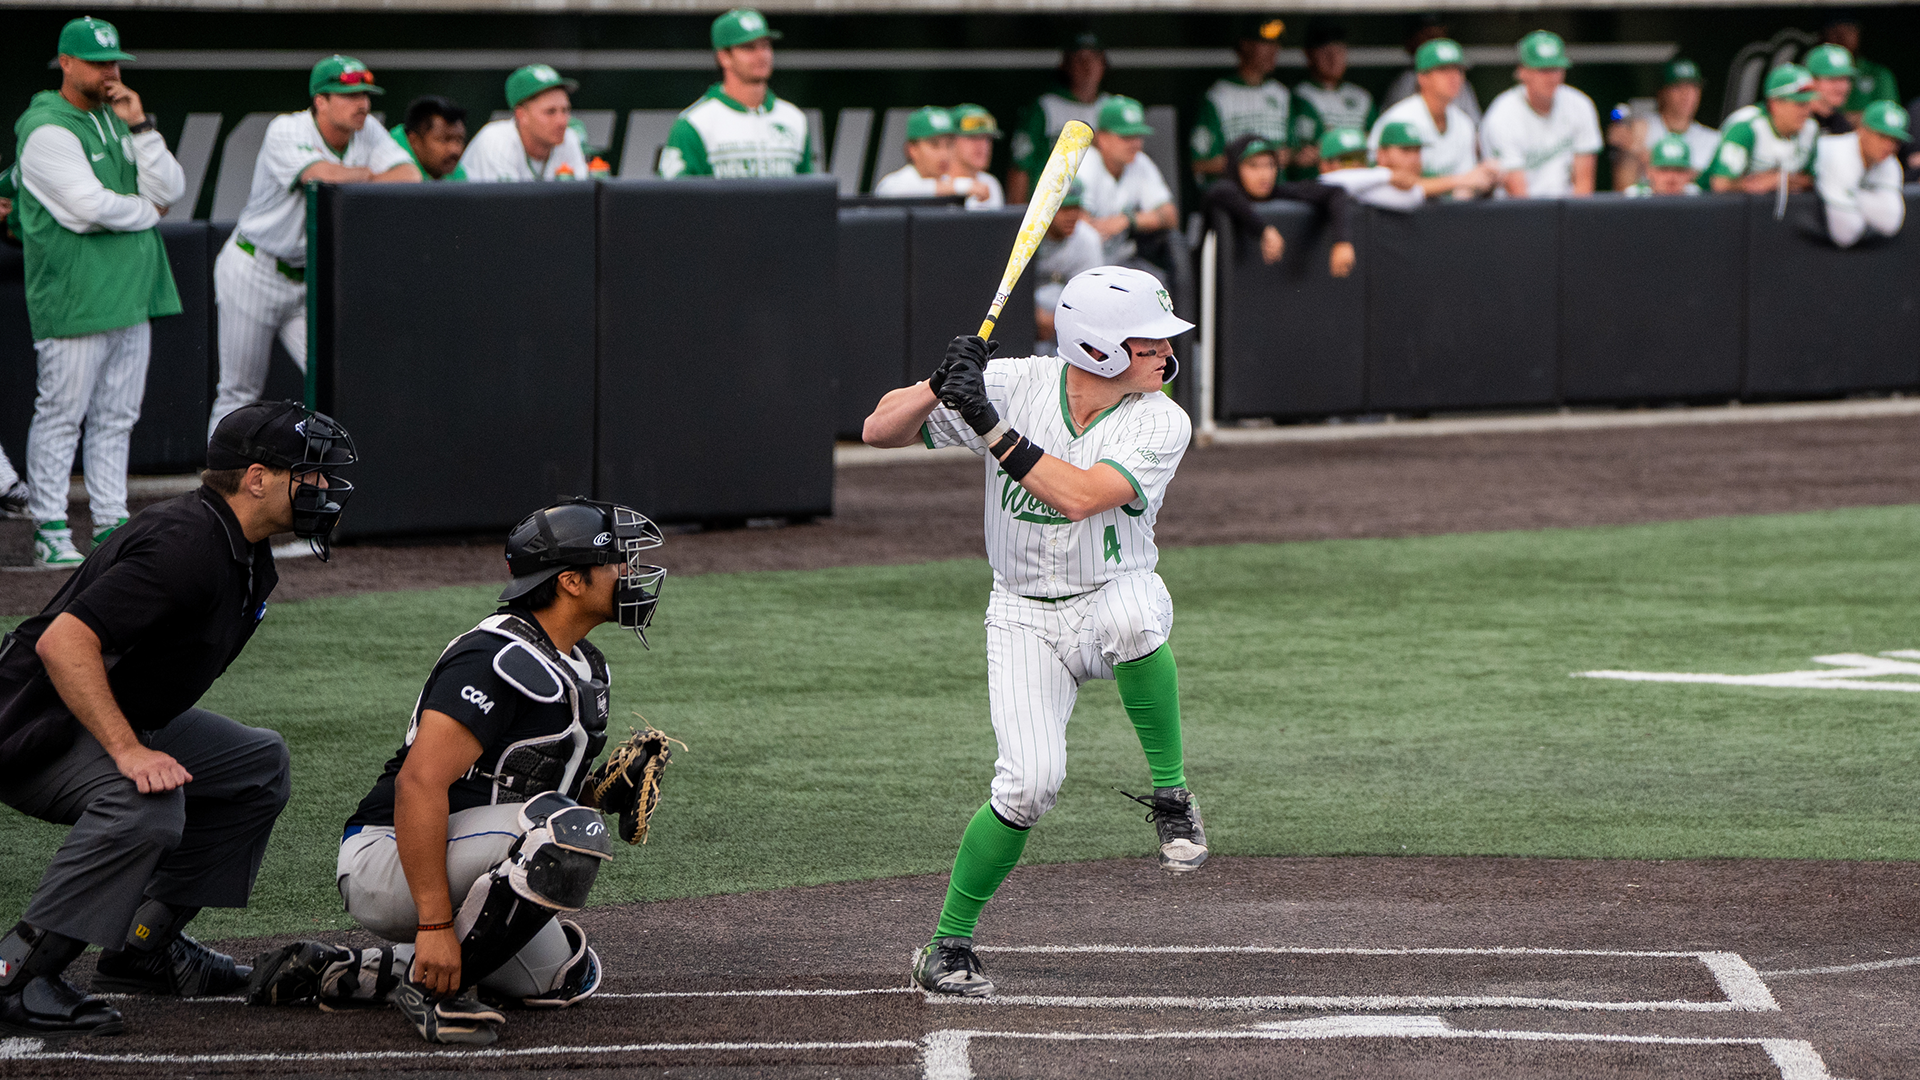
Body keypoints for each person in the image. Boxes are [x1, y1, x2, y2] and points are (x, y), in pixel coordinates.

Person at [861, 266, 1205, 998]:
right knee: (1028, 785)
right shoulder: (1016, 382)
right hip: (1020, 614)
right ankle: (948, 945)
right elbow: (878, 430)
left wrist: (986, 422)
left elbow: (1079, 496)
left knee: (1134, 618)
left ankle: (1172, 796)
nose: (1167, 355)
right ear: (1097, 348)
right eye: (1148, 344)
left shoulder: (1160, 419)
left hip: (1112, 590)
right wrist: (938, 383)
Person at [244, 499, 667, 1046]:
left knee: (562, 976)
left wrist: (601, 794)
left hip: (460, 850)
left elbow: (519, 795)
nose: (630, 572)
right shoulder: (493, 658)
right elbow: (419, 783)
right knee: (568, 830)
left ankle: (344, 970)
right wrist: (435, 925)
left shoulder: (583, 663)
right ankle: (433, 989)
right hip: (388, 855)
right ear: (570, 581)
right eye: (616, 562)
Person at [0, 401, 354, 1038]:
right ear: (257, 479)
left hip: (97, 711)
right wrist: (128, 751)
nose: (325, 486)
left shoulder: (242, 548)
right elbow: (63, 643)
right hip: (31, 725)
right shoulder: (185, 544)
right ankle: (18, 974)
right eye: (310, 473)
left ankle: (143, 949)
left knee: (257, 764)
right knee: (145, 805)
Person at [13, 18, 186, 570]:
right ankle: (50, 528)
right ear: (66, 63)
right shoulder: (45, 126)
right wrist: (148, 212)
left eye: (113, 62)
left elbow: (172, 188)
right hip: (75, 294)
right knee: (62, 414)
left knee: (117, 417)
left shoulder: (118, 117)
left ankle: (111, 520)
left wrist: (142, 126)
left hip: (133, 291)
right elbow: (86, 209)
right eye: (96, 62)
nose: (109, 72)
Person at [207, 56, 417, 439]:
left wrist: (357, 177)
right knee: (239, 391)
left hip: (309, 280)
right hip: (255, 268)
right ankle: (219, 476)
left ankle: (327, 470)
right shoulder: (287, 128)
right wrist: (370, 175)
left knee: (339, 381)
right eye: (349, 95)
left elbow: (409, 176)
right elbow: (319, 177)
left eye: (365, 95)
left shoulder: (367, 129)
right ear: (321, 101)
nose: (362, 104)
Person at [659, 10, 813, 179]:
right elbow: (672, 193)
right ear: (724, 57)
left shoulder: (794, 119)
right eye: (749, 48)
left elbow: (809, 192)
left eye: (765, 45)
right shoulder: (694, 123)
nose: (761, 55)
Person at [1203, 135, 1354, 276]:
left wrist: (1342, 241)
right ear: (1235, 168)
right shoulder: (1224, 193)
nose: (1264, 174)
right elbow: (1220, 191)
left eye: (1270, 165)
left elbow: (1335, 192)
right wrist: (1264, 230)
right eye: (1253, 166)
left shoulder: (1278, 192)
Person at [1369, 38, 1498, 199]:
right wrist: (1459, 181)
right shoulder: (1398, 120)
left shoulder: (1464, 122)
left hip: (1446, 211)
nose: (1453, 77)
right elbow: (1393, 185)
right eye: (1443, 70)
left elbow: (1463, 190)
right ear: (1422, 77)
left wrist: (1483, 180)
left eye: (1458, 70)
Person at [1478, 31, 1602, 198]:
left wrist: (1574, 214)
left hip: (1566, 207)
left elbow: (1584, 184)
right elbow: (1518, 195)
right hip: (1514, 210)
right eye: (1543, 70)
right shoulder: (1502, 115)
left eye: (1556, 69)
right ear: (1522, 72)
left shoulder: (1580, 105)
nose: (1551, 78)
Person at [1074, 96, 1179, 277]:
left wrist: (1127, 220)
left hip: (1119, 262)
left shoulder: (1139, 162)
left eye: (1138, 136)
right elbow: (1077, 225)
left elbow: (1170, 215)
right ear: (1103, 138)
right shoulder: (1085, 164)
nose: (1135, 144)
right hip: (1079, 265)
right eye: (1126, 137)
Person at [1189, 17, 1291, 187]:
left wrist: (1292, 155)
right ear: (1245, 45)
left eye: (1276, 44)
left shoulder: (1281, 94)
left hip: (1277, 196)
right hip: (1235, 197)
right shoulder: (1219, 96)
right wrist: (1252, 162)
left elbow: (1292, 152)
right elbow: (1199, 163)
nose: (1274, 49)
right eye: (1265, 43)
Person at [1010, 33, 1110, 204]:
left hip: (1098, 206)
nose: (1087, 66)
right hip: (1050, 207)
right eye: (1079, 59)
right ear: (1066, 65)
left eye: (1094, 58)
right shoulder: (1046, 107)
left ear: (1103, 64)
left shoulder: (1111, 107)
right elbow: (1021, 165)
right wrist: (1017, 214)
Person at [1698, 64, 1817, 195]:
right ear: (1775, 104)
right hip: (1714, 204)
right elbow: (1721, 184)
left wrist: (1779, 180)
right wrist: (1760, 183)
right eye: (1799, 104)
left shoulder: (1810, 129)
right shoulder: (1746, 127)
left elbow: (1810, 179)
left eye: (1808, 103)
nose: (1806, 111)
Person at [459, 66, 588, 182]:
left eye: (565, 110)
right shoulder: (496, 140)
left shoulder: (568, 139)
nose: (562, 121)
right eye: (550, 112)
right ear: (521, 115)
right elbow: (507, 200)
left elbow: (581, 197)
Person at [1612, 59, 1718, 190]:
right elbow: (1623, 191)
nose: (1686, 95)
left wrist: (1655, 162)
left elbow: (1719, 186)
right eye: (1677, 87)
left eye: (1693, 87)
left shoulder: (1713, 139)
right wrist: (1630, 153)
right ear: (1662, 92)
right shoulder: (1642, 128)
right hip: (1649, 203)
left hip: (1693, 203)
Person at [1817, 100, 1908, 248]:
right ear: (1862, 130)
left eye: (1895, 140)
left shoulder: (1890, 163)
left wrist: (1850, 193)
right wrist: (1873, 204)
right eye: (1882, 136)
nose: (1889, 146)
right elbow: (1844, 233)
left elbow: (1891, 221)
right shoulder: (1840, 154)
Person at [1290, 22, 1376, 178]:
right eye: (1325, 52)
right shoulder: (1299, 96)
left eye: (1339, 51)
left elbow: (1374, 141)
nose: (1333, 58)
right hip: (1317, 182)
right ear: (1309, 54)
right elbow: (1306, 152)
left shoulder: (1361, 97)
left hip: (1360, 180)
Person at [1032, 183, 1103, 353]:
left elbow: (1092, 299)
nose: (1072, 216)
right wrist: (1032, 314)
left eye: (1076, 208)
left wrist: (1059, 321)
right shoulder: (1026, 237)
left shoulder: (1088, 239)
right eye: (1064, 209)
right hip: (1028, 316)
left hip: (1070, 318)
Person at [1384, 17, 1482, 123]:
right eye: (1443, 69)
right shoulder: (1406, 83)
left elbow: (1475, 125)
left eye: (1441, 36)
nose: (1453, 76)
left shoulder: (1460, 88)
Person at [1318, 123, 1428, 210]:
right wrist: (1389, 175)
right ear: (1325, 165)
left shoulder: (1367, 191)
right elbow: (1330, 183)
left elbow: (1411, 197)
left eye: (1361, 157)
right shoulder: (1316, 192)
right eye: (1348, 159)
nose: (1356, 164)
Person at [1819, 14, 1898, 124]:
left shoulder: (1878, 73)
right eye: (1835, 31)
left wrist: (1841, 119)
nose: (1841, 37)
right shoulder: (1815, 71)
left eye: (1849, 30)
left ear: (1858, 33)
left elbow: (1888, 118)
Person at [873, 106, 959, 197]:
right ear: (913, 149)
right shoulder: (893, 184)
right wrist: (959, 188)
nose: (944, 154)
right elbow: (895, 191)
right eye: (934, 145)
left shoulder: (952, 182)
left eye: (949, 145)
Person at [391, 96, 468, 181]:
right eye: (444, 140)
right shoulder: (387, 172)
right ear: (413, 141)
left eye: (459, 140)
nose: (455, 149)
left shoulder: (457, 173)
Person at [949, 104, 1006, 209]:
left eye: (987, 138)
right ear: (950, 140)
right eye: (973, 137)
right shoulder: (933, 182)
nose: (983, 145)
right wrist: (964, 187)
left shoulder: (991, 183)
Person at [1805, 44, 1858, 135]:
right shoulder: (1798, 120)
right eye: (1832, 79)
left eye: (1845, 79)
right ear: (1812, 80)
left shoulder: (1842, 125)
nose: (1841, 87)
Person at [1624, 134, 1701, 196]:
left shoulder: (1696, 196)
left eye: (1679, 170)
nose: (1671, 177)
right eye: (1664, 169)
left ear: (1690, 174)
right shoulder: (1635, 197)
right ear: (1649, 172)